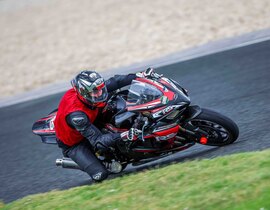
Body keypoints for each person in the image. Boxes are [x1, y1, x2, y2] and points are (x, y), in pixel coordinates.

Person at [54, 68, 157, 181]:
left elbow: (116, 81)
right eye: (95, 92)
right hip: (74, 143)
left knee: (117, 98)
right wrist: (125, 135)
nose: (100, 94)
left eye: (100, 89)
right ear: (83, 93)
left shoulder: (91, 92)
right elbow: (99, 141)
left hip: (91, 118)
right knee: (101, 174)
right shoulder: (77, 117)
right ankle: (86, 163)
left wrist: (140, 75)